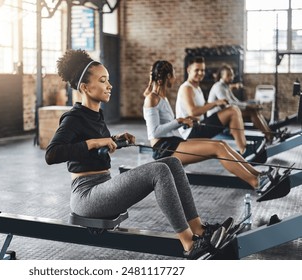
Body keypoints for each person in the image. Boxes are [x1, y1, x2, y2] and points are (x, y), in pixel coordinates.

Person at [45, 49, 225, 260]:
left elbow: (96, 148)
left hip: (103, 186)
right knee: (158, 171)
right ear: (85, 87)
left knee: (172, 163)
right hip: (87, 196)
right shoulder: (73, 117)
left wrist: (116, 139)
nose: (109, 85)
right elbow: (52, 154)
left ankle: (200, 230)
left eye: (108, 80)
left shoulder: (95, 114)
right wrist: (94, 142)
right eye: (103, 81)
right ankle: (189, 244)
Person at [142, 60, 279, 194]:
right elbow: (154, 132)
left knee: (222, 144)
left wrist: (185, 121)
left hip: (172, 142)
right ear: (168, 77)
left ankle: (259, 174)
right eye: (174, 74)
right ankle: (256, 182)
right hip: (163, 149)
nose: (175, 77)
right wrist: (179, 121)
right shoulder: (152, 98)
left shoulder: (162, 98)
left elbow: (167, 126)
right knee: (217, 148)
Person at [175, 56, 264, 159]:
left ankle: (243, 146)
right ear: (188, 70)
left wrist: (219, 106)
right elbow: (193, 112)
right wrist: (215, 103)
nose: (200, 73)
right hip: (191, 132)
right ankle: (244, 150)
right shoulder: (187, 88)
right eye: (197, 70)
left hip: (200, 125)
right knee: (233, 110)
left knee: (233, 110)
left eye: (202, 70)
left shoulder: (197, 88)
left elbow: (203, 107)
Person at [208, 64, 273, 143]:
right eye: (228, 75)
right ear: (222, 76)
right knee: (251, 112)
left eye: (231, 75)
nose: (231, 77)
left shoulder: (226, 86)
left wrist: (249, 105)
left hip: (225, 112)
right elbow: (229, 104)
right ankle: (269, 135)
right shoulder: (218, 86)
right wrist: (248, 106)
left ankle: (270, 133)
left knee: (254, 111)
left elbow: (235, 101)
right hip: (215, 118)